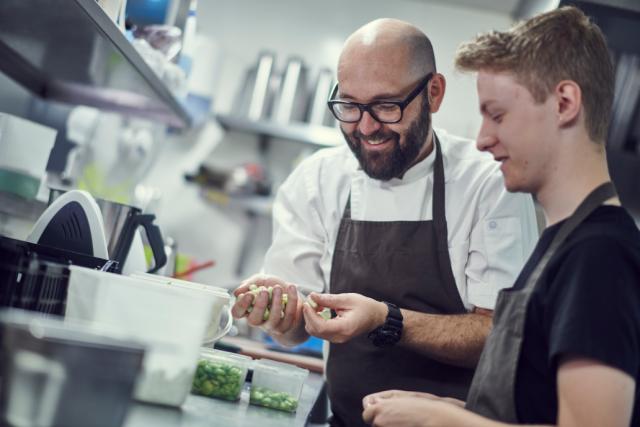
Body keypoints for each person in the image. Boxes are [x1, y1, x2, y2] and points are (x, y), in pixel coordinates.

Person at [232, 18, 538, 427]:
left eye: (386, 106)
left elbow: (501, 336)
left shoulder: (489, 183)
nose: (366, 127)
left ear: (433, 93)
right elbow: (294, 332)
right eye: (350, 106)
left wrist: (385, 319)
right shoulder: (316, 180)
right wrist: (277, 312)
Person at [361, 6, 640, 427]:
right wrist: (448, 409)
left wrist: (443, 421)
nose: (483, 139)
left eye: (498, 115)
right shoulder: (563, 242)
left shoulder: (598, 256)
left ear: (564, 103)